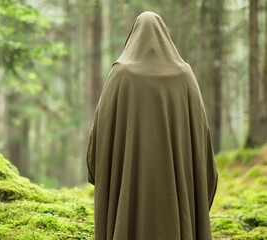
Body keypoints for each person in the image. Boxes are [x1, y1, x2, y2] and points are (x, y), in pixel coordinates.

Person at [86, 11, 218, 240]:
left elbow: (100, 133)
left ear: (133, 37)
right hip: (177, 204)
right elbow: (201, 137)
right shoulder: (184, 75)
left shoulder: (121, 75)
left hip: (129, 194)